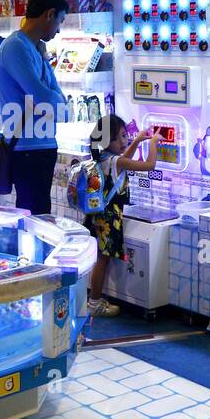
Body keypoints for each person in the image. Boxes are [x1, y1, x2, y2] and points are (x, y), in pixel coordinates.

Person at [0, 0, 68, 214]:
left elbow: (60, 104)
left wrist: (45, 60)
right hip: (27, 149)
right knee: (33, 216)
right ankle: (31, 252)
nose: (58, 30)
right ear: (49, 14)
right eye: (60, 22)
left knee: (40, 214)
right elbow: (45, 98)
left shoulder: (36, 50)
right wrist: (56, 103)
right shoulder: (15, 48)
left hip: (40, 147)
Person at [84, 115, 158, 318]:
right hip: (109, 217)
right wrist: (153, 143)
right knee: (103, 260)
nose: (125, 140)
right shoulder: (116, 161)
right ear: (109, 141)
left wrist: (136, 141)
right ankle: (95, 302)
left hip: (98, 215)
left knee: (101, 258)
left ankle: (94, 299)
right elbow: (149, 165)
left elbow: (124, 160)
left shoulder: (103, 158)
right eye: (122, 137)